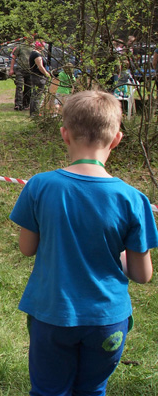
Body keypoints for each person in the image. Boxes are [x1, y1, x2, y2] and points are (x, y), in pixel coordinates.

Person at [9, 91, 157, 396]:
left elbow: (26, 248)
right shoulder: (134, 200)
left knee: (49, 390)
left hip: (53, 313)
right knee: (92, 390)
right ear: (117, 139)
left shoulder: (40, 185)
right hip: (107, 321)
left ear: (64, 135)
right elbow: (142, 275)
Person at [28, 42, 51, 116]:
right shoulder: (36, 55)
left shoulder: (34, 53)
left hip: (35, 76)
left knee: (35, 94)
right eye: (43, 46)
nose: (44, 48)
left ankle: (33, 112)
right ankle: (35, 112)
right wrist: (46, 74)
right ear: (40, 47)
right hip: (38, 77)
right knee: (38, 95)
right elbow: (40, 66)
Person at [10, 41, 33, 111]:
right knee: (19, 86)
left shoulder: (34, 47)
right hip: (20, 69)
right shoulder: (20, 47)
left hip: (30, 70)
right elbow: (14, 57)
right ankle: (18, 104)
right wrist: (11, 69)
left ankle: (26, 104)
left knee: (28, 88)